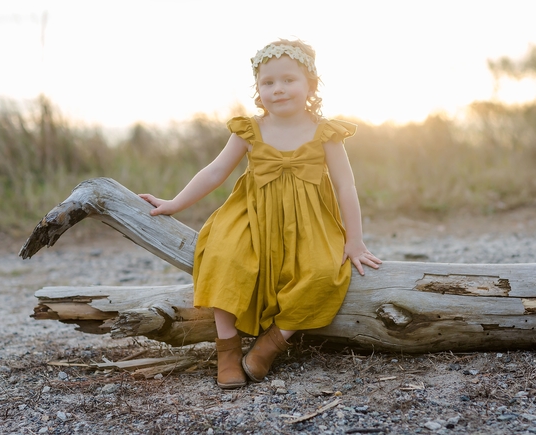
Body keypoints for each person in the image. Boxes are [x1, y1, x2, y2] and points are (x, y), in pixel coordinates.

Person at [139, 39, 381, 389]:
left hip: (310, 221)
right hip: (253, 215)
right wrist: (175, 203)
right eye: (268, 83)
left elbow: (346, 186)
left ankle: (271, 343)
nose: (278, 90)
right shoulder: (251, 129)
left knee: (324, 272)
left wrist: (355, 240)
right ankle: (227, 348)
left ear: (310, 84)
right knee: (224, 255)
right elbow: (214, 171)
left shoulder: (325, 132)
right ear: (258, 89)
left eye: (288, 80)